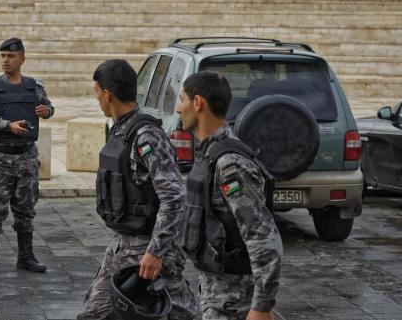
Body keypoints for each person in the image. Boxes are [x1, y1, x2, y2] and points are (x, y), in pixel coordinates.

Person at [77, 59, 196, 320]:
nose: (97, 100)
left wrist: (156, 251)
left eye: (97, 93)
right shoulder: (120, 129)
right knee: (94, 312)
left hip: (150, 247)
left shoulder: (146, 136)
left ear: (107, 94)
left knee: (178, 313)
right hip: (124, 244)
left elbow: (174, 198)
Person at [176, 71, 282, 320]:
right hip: (217, 295)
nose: (178, 109)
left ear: (198, 103)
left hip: (234, 302)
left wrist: (262, 307)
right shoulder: (211, 154)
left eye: (181, 100)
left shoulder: (229, 164)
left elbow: (264, 239)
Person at [0, 37, 53, 277]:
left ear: (22, 58)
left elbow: (49, 108)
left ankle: (26, 257)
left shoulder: (34, 86)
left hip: (27, 157)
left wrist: (46, 111)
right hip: (0, 157)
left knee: (26, 210)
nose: (5, 61)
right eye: (2, 56)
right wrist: (7, 125)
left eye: (10, 56)